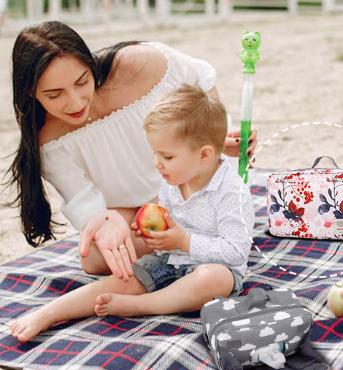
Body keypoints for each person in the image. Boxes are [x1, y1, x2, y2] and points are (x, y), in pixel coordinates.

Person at [6, 20, 257, 280]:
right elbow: (87, 206)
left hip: (188, 182)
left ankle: (196, 235)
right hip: (133, 212)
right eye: (55, 95)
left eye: (82, 81)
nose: (76, 101)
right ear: (31, 93)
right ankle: (197, 236)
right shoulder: (48, 141)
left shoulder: (140, 64)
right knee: (93, 257)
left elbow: (201, 80)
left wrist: (215, 141)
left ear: (90, 64)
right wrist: (106, 225)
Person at [9, 84, 255, 342]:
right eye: (155, 154)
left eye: (167, 156)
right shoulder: (174, 178)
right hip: (169, 261)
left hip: (214, 269)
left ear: (204, 155)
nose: (157, 163)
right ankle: (49, 313)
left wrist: (184, 241)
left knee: (212, 279)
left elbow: (236, 251)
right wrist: (153, 228)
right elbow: (167, 215)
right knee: (121, 278)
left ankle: (143, 305)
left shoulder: (231, 192)